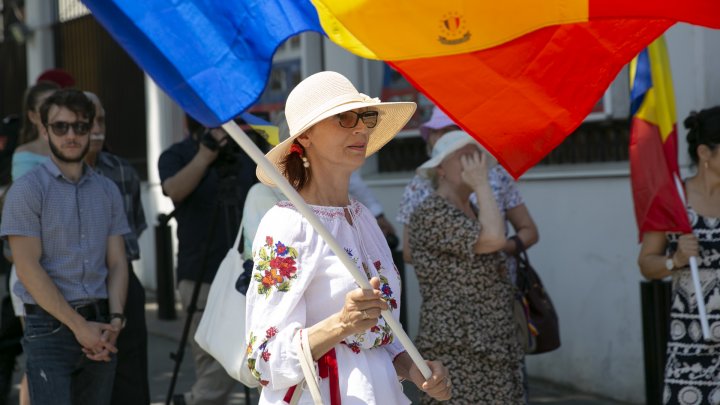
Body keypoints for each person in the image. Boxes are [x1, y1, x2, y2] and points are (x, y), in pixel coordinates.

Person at [245, 71, 452, 404]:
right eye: (343, 118)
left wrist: (412, 368)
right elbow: (263, 358)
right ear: (306, 137)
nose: (360, 128)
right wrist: (340, 324)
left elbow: (380, 335)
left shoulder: (363, 219)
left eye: (365, 117)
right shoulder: (286, 224)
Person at [0, 89, 129, 405]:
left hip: (100, 323)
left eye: (80, 126)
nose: (71, 135)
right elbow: (27, 268)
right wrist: (78, 326)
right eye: (61, 127)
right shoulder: (26, 191)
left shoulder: (108, 190)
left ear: (90, 129)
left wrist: (115, 319)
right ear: (44, 130)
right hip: (48, 327)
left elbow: (118, 262)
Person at [408, 130, 525, 403]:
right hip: (457, 348)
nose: (476, 164)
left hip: (493, 340)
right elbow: (495, 239)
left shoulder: (471, 206)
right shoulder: (432, 212)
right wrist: (483, 185)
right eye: (465, 157)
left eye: (478, 156)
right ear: (441, 169)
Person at [158, 115, 256, 405]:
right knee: (214, 359)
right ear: (191, 124)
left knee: (253, 354)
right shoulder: (176, 155)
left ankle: (191, 401)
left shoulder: (245, 154)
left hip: (248, 272)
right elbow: (173, 190)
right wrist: (204, 156)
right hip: (199, 273)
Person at [638, 106, 720, 404]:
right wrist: (676, 260)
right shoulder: (672, 200)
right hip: (691, 343)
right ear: (705, 153)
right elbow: (647, 264)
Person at [398, 107, 538, 279]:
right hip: (458, 298)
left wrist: (501, 248)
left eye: (450, 130)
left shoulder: (496, 175)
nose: (441, 136)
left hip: (507, 286)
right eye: (435, 131)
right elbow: (409, 252)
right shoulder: (418, 187)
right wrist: (471, 251)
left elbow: (529, 230)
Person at [84, 92, 150, 405]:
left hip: (125, 282)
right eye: (88, 120)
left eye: (101, 120)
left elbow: (134, 227)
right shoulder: (47, 178)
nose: (97, 128)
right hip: (78, 287)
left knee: (131, 379)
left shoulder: (123, 171)